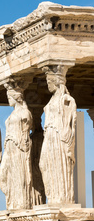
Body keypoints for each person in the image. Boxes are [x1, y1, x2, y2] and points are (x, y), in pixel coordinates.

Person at [40, 74, 76, 204]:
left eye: (50, 81)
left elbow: (72, 119)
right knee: (43, 164)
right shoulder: (52, 100)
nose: (48, 83)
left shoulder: (66, 99)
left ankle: (62, 198)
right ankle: (54, 196)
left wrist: (66, 134)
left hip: (58, 135)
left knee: (58, 164)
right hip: (49, 135)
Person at [0, 87, 33, 210]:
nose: (8, 100)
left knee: (19, 175)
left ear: (16, 97)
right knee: (3, 176)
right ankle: (12, 201)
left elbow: (27, 130)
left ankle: (20, 204)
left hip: (18, 148)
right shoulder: (13, 113)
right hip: (9, 147)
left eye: (10, 97)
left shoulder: (25, 113)